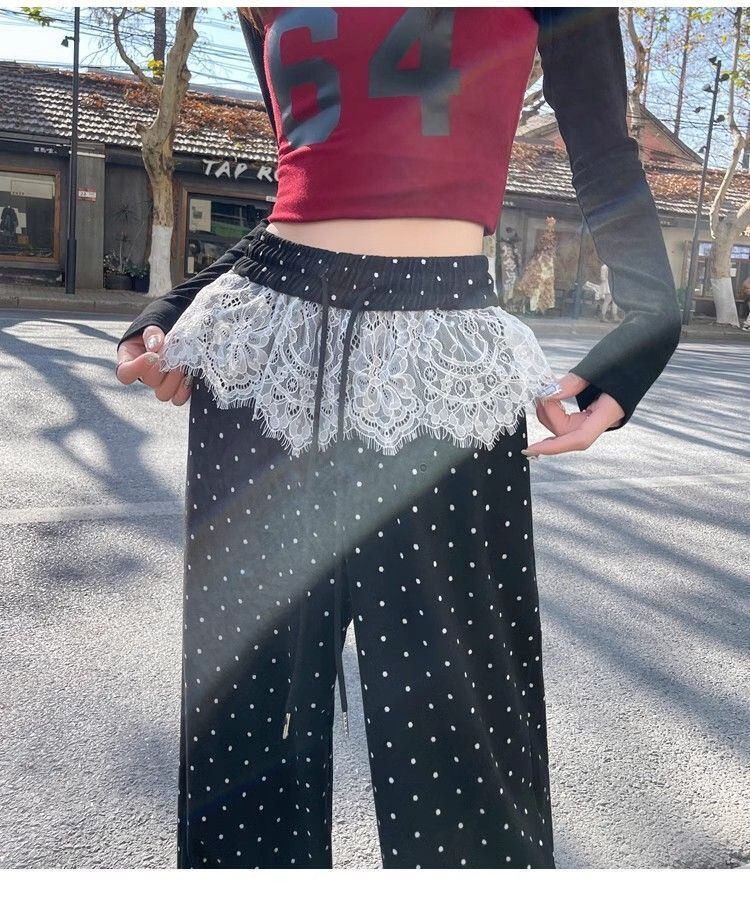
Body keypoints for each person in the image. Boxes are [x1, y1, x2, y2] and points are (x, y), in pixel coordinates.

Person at [115, 7, 681, 869]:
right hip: (263, 353)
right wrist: (168, 309)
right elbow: (301, 184)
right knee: (246, 733)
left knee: (465, 748)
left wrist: (650, 327)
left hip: (441, 358)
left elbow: (605, 154)